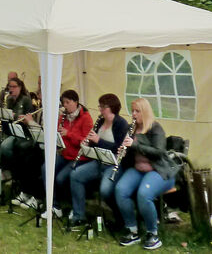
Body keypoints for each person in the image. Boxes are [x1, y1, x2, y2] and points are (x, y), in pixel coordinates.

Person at [115, 98, 178, 250]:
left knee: (144, 194)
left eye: (137, 111)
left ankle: (152, 233)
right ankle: (132, 230)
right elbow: (131, 157)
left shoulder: (155, 128)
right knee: (120, 190)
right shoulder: (131, 128)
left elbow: (159, 152)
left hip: (158, 170)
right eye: (132, 111)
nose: (133, 114)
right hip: (139, 169)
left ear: (145, 112)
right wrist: (124, 151)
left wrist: (135, 144)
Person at [68, 92, 128, 228]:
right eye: (100, 106)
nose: (100, 109)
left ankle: (120, 217)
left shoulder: (121, 124)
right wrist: (87, 143)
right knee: (75, 175)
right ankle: (79, 215)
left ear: (111, 108)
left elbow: (119, 148)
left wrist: (98, 140)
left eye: (102, 107)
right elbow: (94, 143)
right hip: (98, 161)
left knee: (105, 190)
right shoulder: (101, 121)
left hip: (114, 165)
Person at [0, 76, 32, 172]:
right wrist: (2, 114)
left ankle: (11, 169)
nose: (11, 89)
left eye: (14, 87)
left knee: (5, 147)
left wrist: (14, 115)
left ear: (20, 87)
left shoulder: (26, 100)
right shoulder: (8, 99)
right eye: (10, 87)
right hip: (7, 130)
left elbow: (29, 118)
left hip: (19, 132)